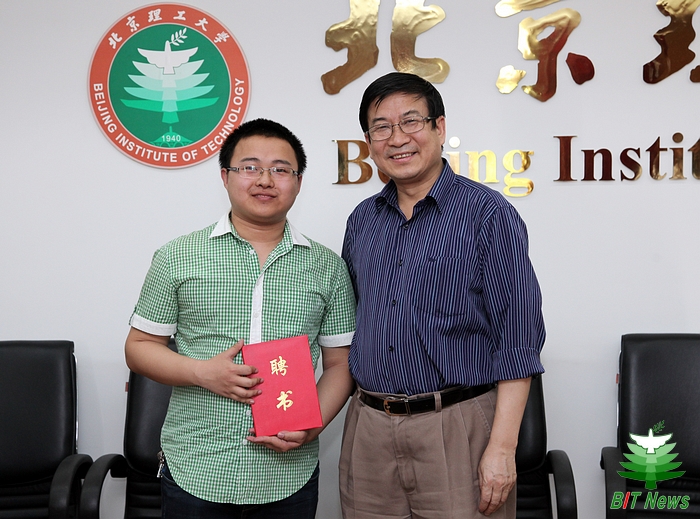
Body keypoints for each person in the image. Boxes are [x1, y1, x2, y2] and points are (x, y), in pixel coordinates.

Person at [125, 118, 356, 519]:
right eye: (250, 167)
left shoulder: (328, 267)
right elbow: (139, 347)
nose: (265, 180)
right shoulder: (177, 256)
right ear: (225, 176)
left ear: (298, 182)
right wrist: (202, 372)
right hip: (197, 465)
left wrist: (312, 426)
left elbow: (340, 364)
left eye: (280, 170)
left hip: (289, 474)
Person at [339, 72, 545, 518]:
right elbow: (353, 322)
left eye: (411, 121)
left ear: (439, 127)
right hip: (370, 429)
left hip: (457, 426)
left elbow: (518, 339)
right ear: (369, 142)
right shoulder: (362, 221)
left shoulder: (488, 214)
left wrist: (502, 448)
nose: (397, 138)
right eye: (381, 127)